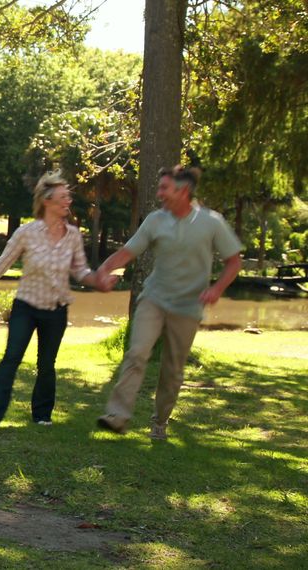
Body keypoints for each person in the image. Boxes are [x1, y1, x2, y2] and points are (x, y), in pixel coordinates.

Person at [94, 165, 242, 440]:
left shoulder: (211, 222)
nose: (159, 193)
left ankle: (160, 421)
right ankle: (117, 415)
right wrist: (104, 269)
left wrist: (217, 289)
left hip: (187, 307)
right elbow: (128, 251)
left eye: (164, 188)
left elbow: (234, 262)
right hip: (154, 299)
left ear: (183, 191)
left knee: (172, 370)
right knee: (137, 352)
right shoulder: (154, 220)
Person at [0, 171, 114, 430]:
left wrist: (97, 280)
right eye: (64, 197)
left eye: (68, 197)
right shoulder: (27, 233)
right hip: (26, 307)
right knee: (12, 357)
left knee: (46, 364)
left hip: (56, 309)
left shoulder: (73, 235)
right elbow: (1, 264)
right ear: (47, 201)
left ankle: (41, 416)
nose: (68, 201)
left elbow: (80, 271)